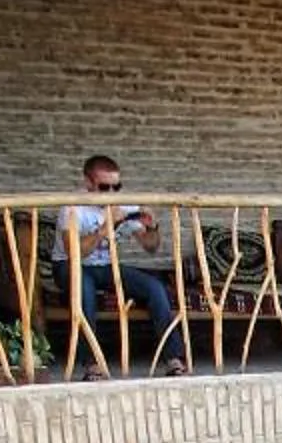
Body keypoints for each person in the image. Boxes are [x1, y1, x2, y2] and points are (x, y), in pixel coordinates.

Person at [56, 154, 185, 376]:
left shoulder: (124, 206)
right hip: (69, 266)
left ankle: (173, 358)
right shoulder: (72, 208)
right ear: (88, 183)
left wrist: (152, 227)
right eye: (104, 187)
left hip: (107, 267)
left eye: (116, 187)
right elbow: (74, 252)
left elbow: (151, 246)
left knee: (154, 288)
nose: (112, 193)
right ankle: (91, 363)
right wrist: (105, 228)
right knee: (84, 291)